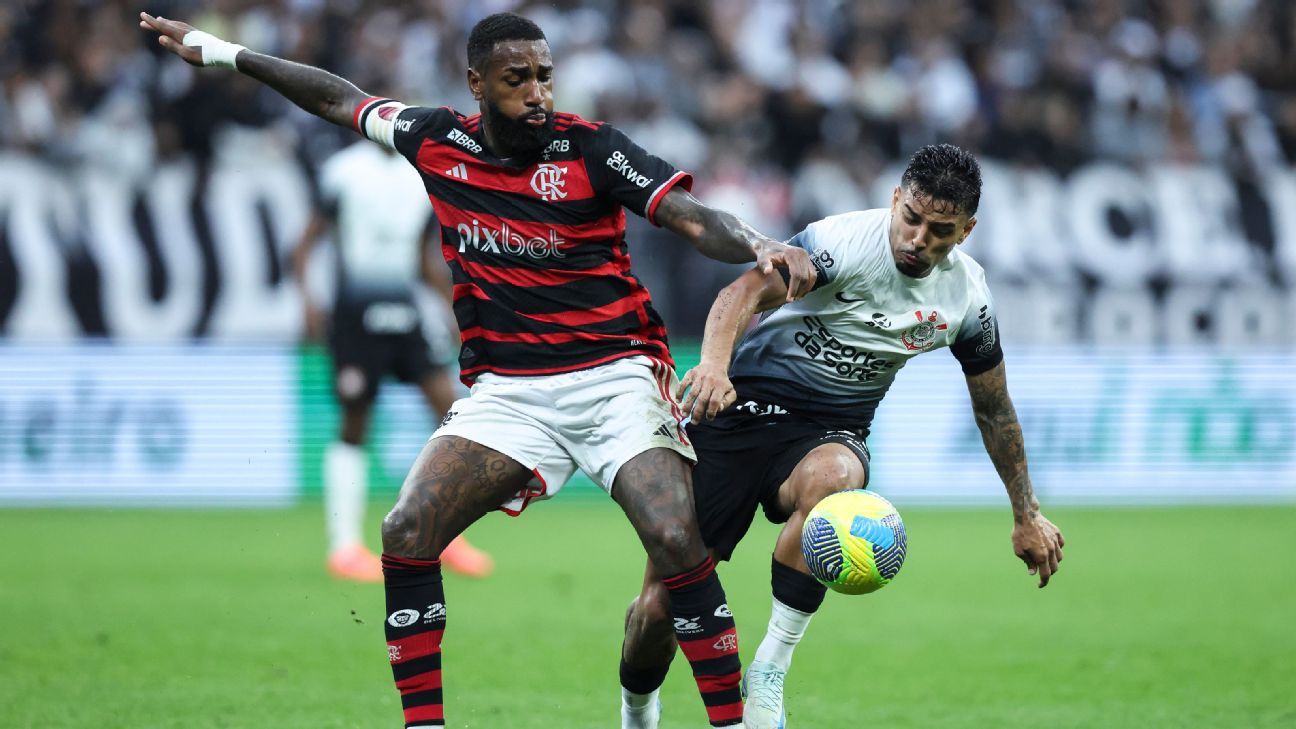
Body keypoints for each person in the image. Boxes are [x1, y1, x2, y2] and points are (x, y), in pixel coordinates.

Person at [140, 11, 817, 728]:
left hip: (615, 377)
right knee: (406, 529)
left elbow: (686, 215)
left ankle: (731, 723)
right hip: (511, 394)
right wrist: (224, 52)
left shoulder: (588, 148)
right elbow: (337, 98)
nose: (537, 93)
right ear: (477, 84)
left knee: (678, 541)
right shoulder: (435, 139)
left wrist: (756, 242)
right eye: (516, 79)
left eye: (545, 76)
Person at [618, 144, 1066, 729]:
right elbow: (744, 292)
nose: (918, 240)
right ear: (895, 200)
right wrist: (713, 366)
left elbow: (995, 410)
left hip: (828, 431)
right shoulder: (840, 243)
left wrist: (1026, 513)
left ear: (966, 230)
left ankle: (770, 674)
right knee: (659, 608)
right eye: (911, 218)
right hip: (737, 413)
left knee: (836, 482)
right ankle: (637, 714)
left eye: (940, 230)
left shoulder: (968, 299)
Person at [292, 137, 494, 582]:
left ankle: (447, 534)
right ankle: (344, 546)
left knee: (452, 413)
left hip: (405, 309)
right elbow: (306, 242)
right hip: (354, 315)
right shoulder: (342, 170)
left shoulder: (417, 176)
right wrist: (308, 299)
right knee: (356, 420)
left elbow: (423, 255)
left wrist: (452, 308)